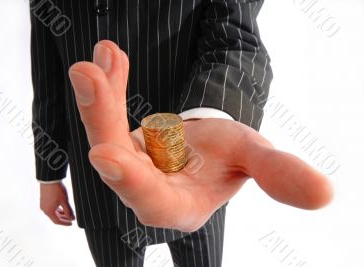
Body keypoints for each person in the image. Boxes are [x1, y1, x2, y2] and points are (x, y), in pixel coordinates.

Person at [30, 0, 333, 266]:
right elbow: (48, 81)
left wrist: (209, 119)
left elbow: (235, 37)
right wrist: (49, 173)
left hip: (193, 165)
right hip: (96, 173)